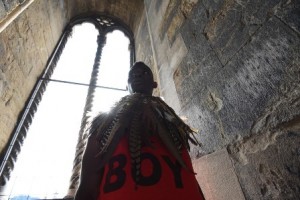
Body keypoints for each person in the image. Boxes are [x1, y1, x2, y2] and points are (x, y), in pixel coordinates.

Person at [75, 62, 205, 200]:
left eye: (145, 73)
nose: (137, 75)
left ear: (154, 84)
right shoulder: (103, 123)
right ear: (126, 86)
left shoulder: (174, 124)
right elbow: (87, 187)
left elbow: (188, 172)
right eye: (132, 74)